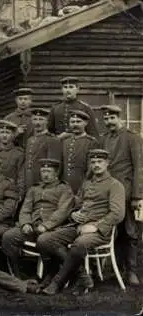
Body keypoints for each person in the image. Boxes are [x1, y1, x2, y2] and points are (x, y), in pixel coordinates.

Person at [42, 149, 125, 295]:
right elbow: (77, 204)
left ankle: (57, 282)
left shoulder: (114, 185)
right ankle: (82, 275)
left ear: (107, 163)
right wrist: (74, 214)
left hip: (99, 231)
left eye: (100, 162)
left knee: (80, 243)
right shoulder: (87, 183)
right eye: (93, 162)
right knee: (45, 239)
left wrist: (96, 226)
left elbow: (118, 213)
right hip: (78, 226)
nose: (96, 165)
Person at [1, 158, 74, 282]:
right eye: (43, 171)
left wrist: (46, 225)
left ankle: (49, 274)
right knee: (8, 236)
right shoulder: (34, 188)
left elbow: (62, 212)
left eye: (49, 171)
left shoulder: (64, 189)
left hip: (52, 228)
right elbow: (25, 208)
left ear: (56, 173)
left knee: (44, 240)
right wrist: (25, 223)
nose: (45, 174)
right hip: (32, 226)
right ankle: (18, 274)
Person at [99, 105, 143, 286]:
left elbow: (139, 168)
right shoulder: (104, 139)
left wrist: (136, 195)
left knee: (130, 231)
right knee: (112, 231)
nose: (109, 122)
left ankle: (131, 271)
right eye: (106, 119)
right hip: (108, 192)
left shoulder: (132, 137)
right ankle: (115, 269)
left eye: (112, 118)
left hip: (125, 193)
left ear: (120, 118)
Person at [61, 110, 99, 194]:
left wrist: (85, 185)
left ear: (85, 123)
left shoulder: (91, 142)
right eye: (72, 122)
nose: (75, 125)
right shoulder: (65, 141)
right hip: (65, 185)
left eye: (78, 122)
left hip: (82, 185)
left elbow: (91, 168)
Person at [24, 108, 62, 192]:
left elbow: (54, 167)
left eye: (41, 119)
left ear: (47, 121)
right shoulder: (30, 140)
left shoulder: (52, 140)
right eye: (35, 119)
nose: (37, 123)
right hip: (28, 182)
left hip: (43, 183)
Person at [0, 120, 25, 199]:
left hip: (11, 192)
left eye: (7, 133)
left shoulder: (19, 154)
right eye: (2, 132)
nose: (4, 136)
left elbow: (21, 177)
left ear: (13, 135)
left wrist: (20, 194)